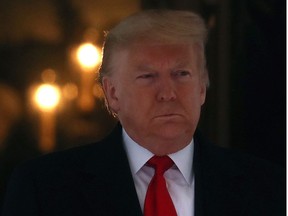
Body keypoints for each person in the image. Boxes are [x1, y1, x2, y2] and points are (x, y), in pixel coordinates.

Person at [2, 10, 284, 216]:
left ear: (202, 87)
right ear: (112, 94)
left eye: (181, 74)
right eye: (148, 76)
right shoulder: (44, 189)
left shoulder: (267, 187)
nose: (168, 93)